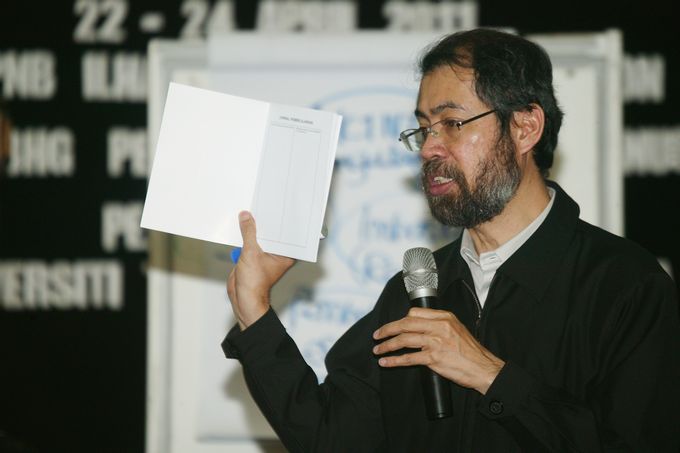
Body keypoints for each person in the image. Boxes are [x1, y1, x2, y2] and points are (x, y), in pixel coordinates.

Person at [222, 29, 680, 452]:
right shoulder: (412, 292)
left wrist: (490, 376)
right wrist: (254, 307)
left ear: (525, 127)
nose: (428, 148)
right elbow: (330, 438)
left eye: (452, 123)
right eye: (424, 127)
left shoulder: (624, 287)